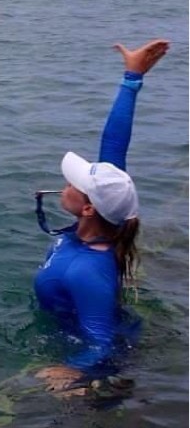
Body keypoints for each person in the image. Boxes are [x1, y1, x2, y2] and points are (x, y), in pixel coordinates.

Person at [34, 38, 170, 395]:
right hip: (82, 325)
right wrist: (132, 77)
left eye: (74, 182)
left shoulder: (86, 272)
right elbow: (114, 144)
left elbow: (103, 344)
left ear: (89, 207)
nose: (66, 182)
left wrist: (68, 371)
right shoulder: (108, 217)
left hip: (96, 361)